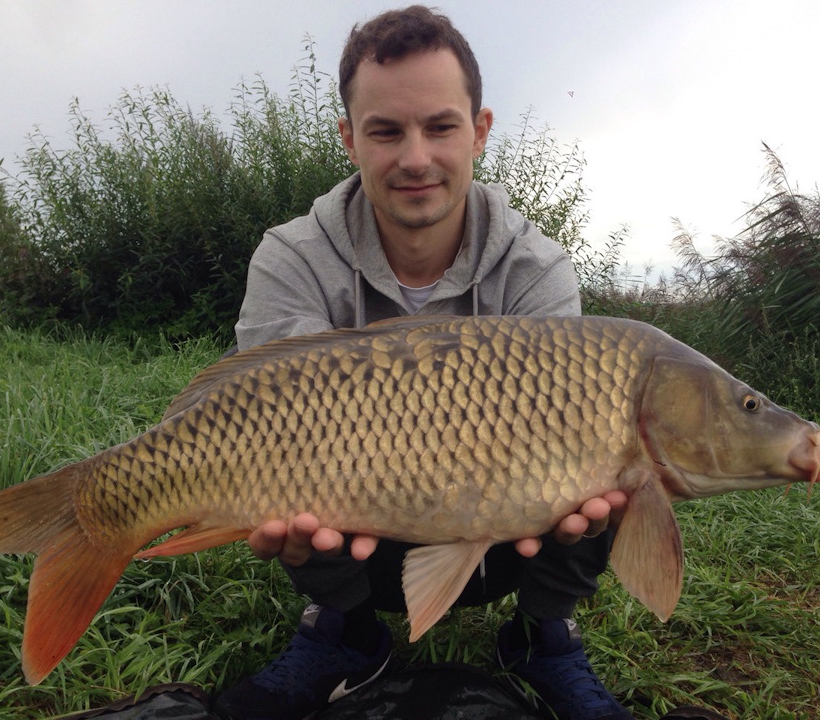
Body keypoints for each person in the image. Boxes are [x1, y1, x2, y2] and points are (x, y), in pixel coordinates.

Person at [212, 7, 631, 720]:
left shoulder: (536, 267)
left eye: (440, 127)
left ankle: (541, 631)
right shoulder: (292, 256)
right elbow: (257, 408)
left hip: (509, 533)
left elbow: (564, 443)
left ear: (481, 130)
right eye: (385, 131)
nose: (415, 158)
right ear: (349, 138)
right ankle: (347, 628)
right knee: (289, 464)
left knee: (610, 452)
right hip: (349, 526)